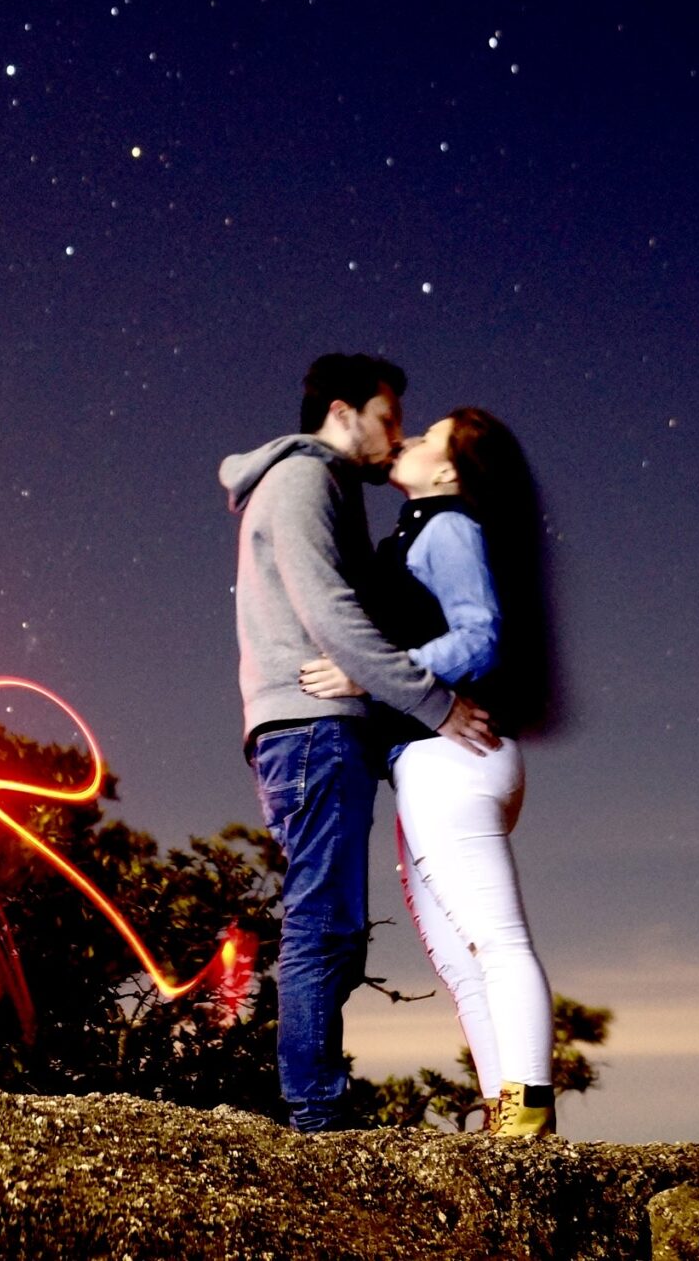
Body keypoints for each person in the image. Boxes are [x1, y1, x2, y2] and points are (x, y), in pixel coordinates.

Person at [219, 355, 497, 1132]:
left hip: (312, 729)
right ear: (344, 412)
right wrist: (436, 704)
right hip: (310, 727)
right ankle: (315, 1110)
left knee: (334, 919)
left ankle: (318, 1100)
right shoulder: (307, 481)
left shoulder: (318, 485)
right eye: (389, 418)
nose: (397, 435)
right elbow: (333, 616)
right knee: (323, 918)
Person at [301, 407, 558, 1135]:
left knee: (494, 942)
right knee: (460, 958)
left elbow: (480, 634)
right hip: (430, 765)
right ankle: (506, 1108)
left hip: (450, 759)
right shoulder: (421, 527)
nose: (407, 439)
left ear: (449, 469)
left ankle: (530, 1107)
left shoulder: (449, 525)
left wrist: (372, 674)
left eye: (427, 436)